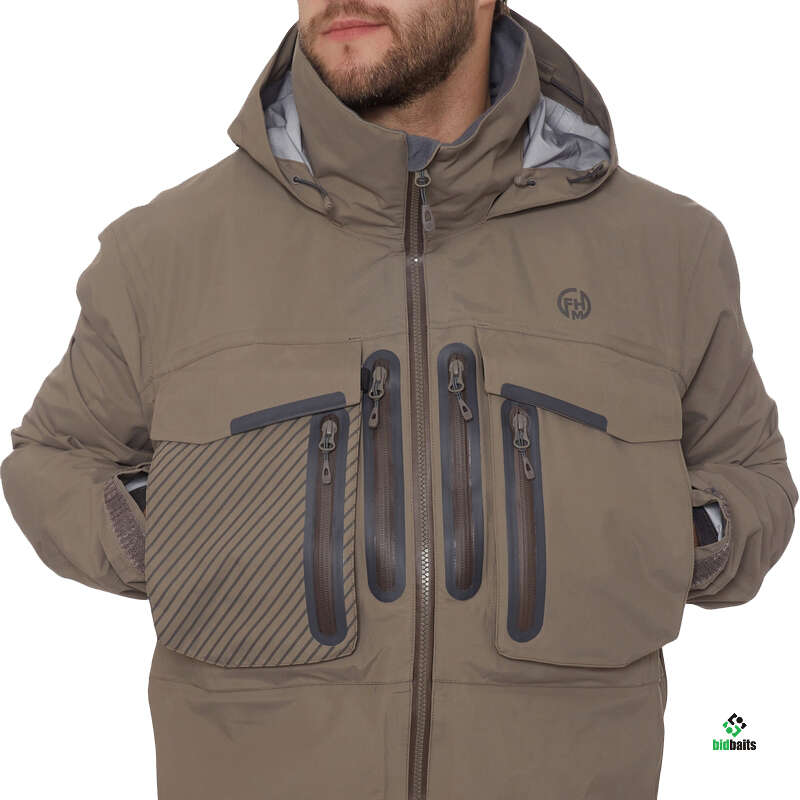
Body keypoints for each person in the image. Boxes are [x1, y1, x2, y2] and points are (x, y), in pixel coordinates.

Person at [2, 1, 795, 798]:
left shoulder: (668, 252)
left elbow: (752, 478)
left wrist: (651, 532)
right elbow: (51, 462)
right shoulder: (163, 253)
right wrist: (188, 529)